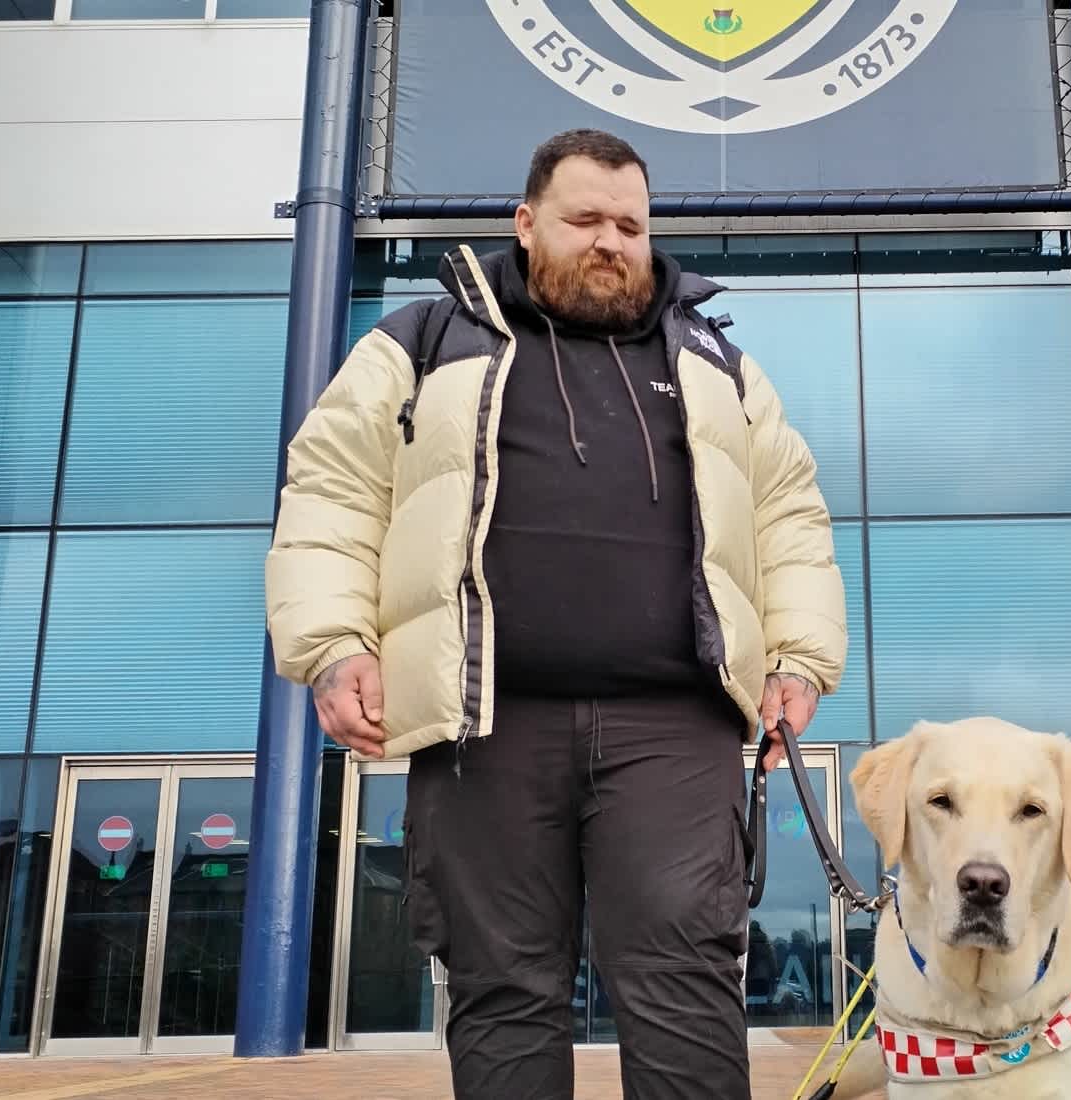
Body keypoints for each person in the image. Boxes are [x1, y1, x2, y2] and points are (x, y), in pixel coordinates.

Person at [264, 128, 847, 1099]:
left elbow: (789, 512)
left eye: (630, 224)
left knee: (688, 982)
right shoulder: (420, 340)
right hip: (483, 720)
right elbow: (332, 487)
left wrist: (800, 657)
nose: (611, 240)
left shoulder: (722, 366)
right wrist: (332, 643)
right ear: (527, 223)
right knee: (502, 989)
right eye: (585, 220)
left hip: (676, 724)